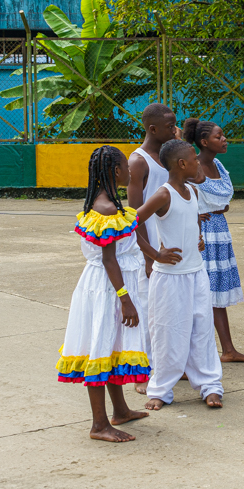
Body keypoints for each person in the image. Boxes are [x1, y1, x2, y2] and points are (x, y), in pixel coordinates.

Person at [57, 146, 150, 442]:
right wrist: (126, 300)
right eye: (126, 166)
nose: (130, 171)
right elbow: (109, 259)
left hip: (108, 284)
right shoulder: (106, 209)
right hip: (109, 289)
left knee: (111, 345)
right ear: (115, 172)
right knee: (100, 345)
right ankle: (99, 425)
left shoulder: (108, 202)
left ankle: (120, 409)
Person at [135, 139, 224, 410]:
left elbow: (192, 218)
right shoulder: (163, 194)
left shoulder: (192, 192)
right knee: (167, 333)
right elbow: (130, 224)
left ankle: (210, 385)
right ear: (181, 164)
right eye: (194, 159)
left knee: (202, 330)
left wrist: (197, 237)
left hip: (196, 274)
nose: (198, 162)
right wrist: (154, 254)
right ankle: (161, 390)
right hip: (169, 278)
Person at [184, 118, 244, 364]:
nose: (224, 139)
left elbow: (225, 196)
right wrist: (200, 209)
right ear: (204, 142)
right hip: (202, 233)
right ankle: (195, 354)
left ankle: (228, 349)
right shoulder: (193, 168)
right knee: (201, 293)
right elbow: (190, 197)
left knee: (215, 293)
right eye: (219, 136)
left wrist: (214, 204)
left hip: (219, 231)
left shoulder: (219, 164)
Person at [126, 103, 176, 394]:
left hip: (170, 248)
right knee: (147, 311)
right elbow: (135, 215)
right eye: (169, 126)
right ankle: (142, 373)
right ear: (152, 129)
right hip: (148, 251)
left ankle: (167, 365)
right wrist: (148, 255)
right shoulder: (139, 161)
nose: (174, 129)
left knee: (168, 310)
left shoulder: (169, 157)